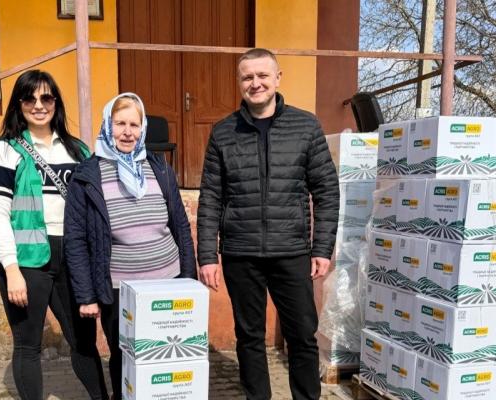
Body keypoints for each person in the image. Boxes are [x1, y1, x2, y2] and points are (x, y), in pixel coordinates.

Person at [197, 48, 340, 400]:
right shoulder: (223, 132)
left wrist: (322, 248)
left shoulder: (305, 126)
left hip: (291, 251)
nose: (255, 83)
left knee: (302, 335)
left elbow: (326, 191)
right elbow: (211, 197)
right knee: (249, 337)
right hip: (240, 252)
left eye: (262, 75)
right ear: (239, 82)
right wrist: (207, 256)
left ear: (277, 78)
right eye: (247, 77)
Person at [64, 92, 197, 399]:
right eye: (119, 124)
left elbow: (179, 225)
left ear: (143, 128)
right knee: (124, 357)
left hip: (168, 282)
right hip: (119, 290)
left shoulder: (159, 168)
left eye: (134, 125)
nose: (127, 132)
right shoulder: (87, 175)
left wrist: (188, 279)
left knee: (167, 357)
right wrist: (86, 296)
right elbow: (76, 240)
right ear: (107, 126)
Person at [0, 70, 108, 400]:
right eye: (29, 98)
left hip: (73, 257)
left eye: (46, 97)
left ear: (56, 102)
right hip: (27, 260)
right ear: (18, 104)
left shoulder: (78, 150)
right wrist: (11, 269)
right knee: (28, 346)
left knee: (83, 342)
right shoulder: (5, 150)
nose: (38, 105)